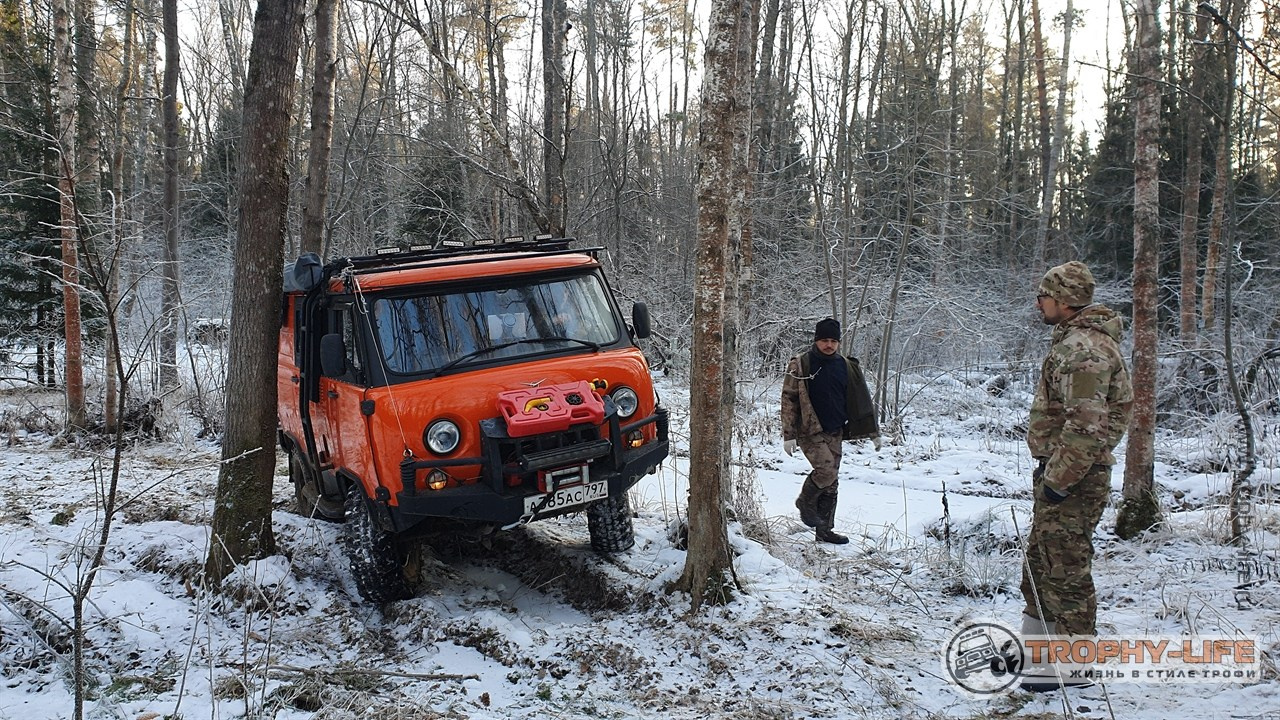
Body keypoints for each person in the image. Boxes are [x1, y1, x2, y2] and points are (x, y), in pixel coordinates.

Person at [1020, 261, 1133, 691]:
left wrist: (1059, 481)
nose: (1039, 302)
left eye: (1044, 295)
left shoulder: (1084, 349)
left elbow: (1086, 425)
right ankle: (1037, 653)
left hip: (1074, 478)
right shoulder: (1075, 341)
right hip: (1063, 471)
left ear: (1065, 300)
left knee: (1065, 570)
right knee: (1041, 561)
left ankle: (1071, 667)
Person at [781, 318, 880, 544]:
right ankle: (804, 503)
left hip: (836, 429)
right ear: (816, 340)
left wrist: (873, 431)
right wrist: (789, 434)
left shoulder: (846, 366)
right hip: (810, 430)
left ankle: (824, 531)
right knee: (826, 471)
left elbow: (861, 398)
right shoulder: (801, 363)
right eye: (824, 340)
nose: (829, 345)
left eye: (833, 341)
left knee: (832, 481)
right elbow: (789, 398)